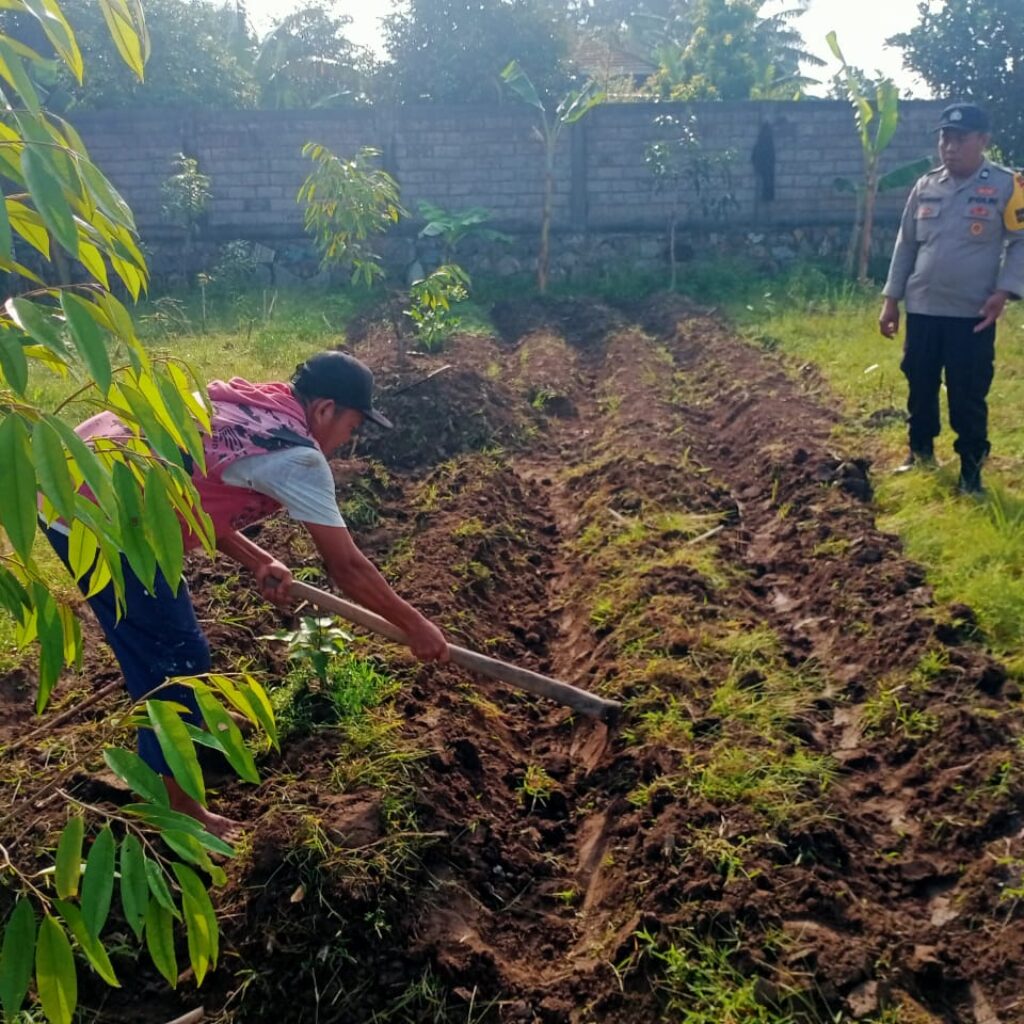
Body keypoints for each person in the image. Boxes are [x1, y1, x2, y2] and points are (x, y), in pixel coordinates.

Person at [45, 350, 449, 838]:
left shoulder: (264, 408)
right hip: (97, 515)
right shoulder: (296, 456)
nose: (349, 442)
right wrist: (415, 625)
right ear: (324, 410)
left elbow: (191, 483)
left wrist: (258, 559)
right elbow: (347, 567)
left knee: (176, 643)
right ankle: (179, 812)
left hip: (95, 466)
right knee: (172, 662)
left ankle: (195, 722)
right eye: (353, 426)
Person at [879, 102, 1024, 494]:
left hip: (972, 313)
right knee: (920, 383)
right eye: (945, 138)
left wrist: (1004, 291)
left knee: (968, 392)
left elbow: (1020, 242)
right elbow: (905, 244)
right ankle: (920, 452)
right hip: (923, 308)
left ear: (983, 140)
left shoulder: (1007, 185)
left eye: (960, 139)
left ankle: (971, 473)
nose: (950, 147)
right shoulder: (926, 185)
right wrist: (891, 299)